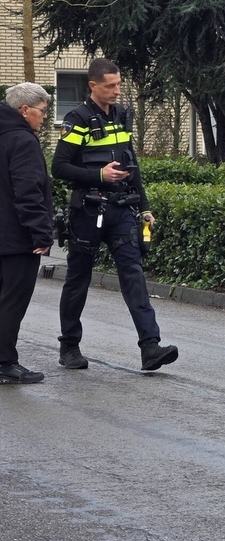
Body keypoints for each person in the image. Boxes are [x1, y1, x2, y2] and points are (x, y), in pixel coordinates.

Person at [52, 58, 178, 372]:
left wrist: (145, 207)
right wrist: (98, 176)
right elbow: (59, 167)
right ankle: (69, 346)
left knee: (133, 274)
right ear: (92, 85)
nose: (117, 91)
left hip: (121, 210)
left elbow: (131, 164)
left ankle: (150, 346)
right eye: (110, 86)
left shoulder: (122, 116)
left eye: (119, 84)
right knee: (78, 279)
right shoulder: (77, 119)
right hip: (87, 211)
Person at [0, 83, 53, 385]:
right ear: (25, 110)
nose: (44, 118)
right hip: (17, 238)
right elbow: (28, 192)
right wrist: (41, 234)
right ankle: (5, 363)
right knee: (12, 301)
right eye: (42, 111)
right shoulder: (23, 141)